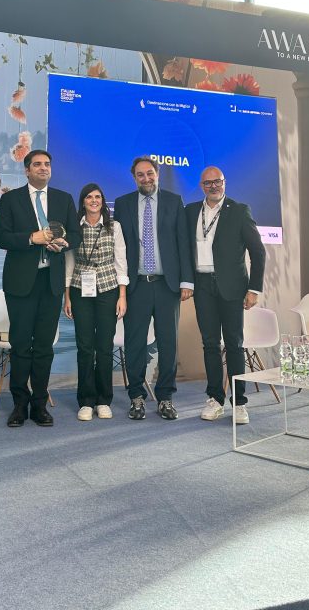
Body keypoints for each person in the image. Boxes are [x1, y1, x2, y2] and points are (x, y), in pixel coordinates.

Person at [0, 149, 81, 428]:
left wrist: (64, 243)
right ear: (27, 170)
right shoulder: (10, 199)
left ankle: (40, 405)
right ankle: (19, 405)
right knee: (21, 345)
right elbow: (2, 237)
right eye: (37, 164)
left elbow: (75, 234)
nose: (43, 168)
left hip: (51, 283)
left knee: (44, 347)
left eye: (47, 164)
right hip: (21, 283)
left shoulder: (63, 199)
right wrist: (32, 238)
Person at [113, 156, 194, 421]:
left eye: (150, 173)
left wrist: (186, 281)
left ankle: (166, 397)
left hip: (167, 286)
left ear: (157, 173)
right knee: (134, 343)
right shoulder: (123, 204)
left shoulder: (173, 201)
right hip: (136, 286)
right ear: (134, 177)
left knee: (168, 343)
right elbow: (118, 247)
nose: (145, 178)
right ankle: (136, 396)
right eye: (140, 175)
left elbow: (183, 243)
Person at [185, 166, 266, 425]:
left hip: (232, 287)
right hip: (202, 286)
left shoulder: (239, 211)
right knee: (209, 344)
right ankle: (215, 399)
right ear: (201, 186)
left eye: (217, 181)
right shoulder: (190, 212)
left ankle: (239, 403)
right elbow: (184, 249)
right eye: (208, 183)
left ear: (224, 182)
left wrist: (254, 289)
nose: (213, 186)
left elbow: (258, 252)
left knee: (234, 344)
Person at [64, 183, 128, 421]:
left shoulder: (114, 227)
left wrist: (122, 295)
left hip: (108, 290)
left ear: (103, 201)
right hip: (80, 290)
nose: (94, 200)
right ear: (83, 201)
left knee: (104, 347)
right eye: (89, 197)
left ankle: (103, 400)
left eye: (98, 197)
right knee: (84, 347)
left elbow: (121, 260)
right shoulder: (74, 228)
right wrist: (67, 296)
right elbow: (69, 262)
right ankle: (86, 401)